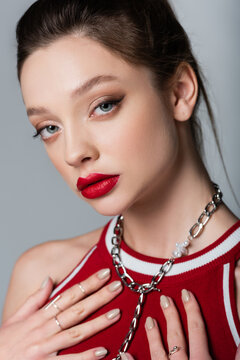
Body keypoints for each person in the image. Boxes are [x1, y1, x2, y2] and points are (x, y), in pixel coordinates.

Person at [1, 0, 239, 359]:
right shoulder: (42, 279)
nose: (73, 152)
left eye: (104, 104)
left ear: (179, 92)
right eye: (49, 127)